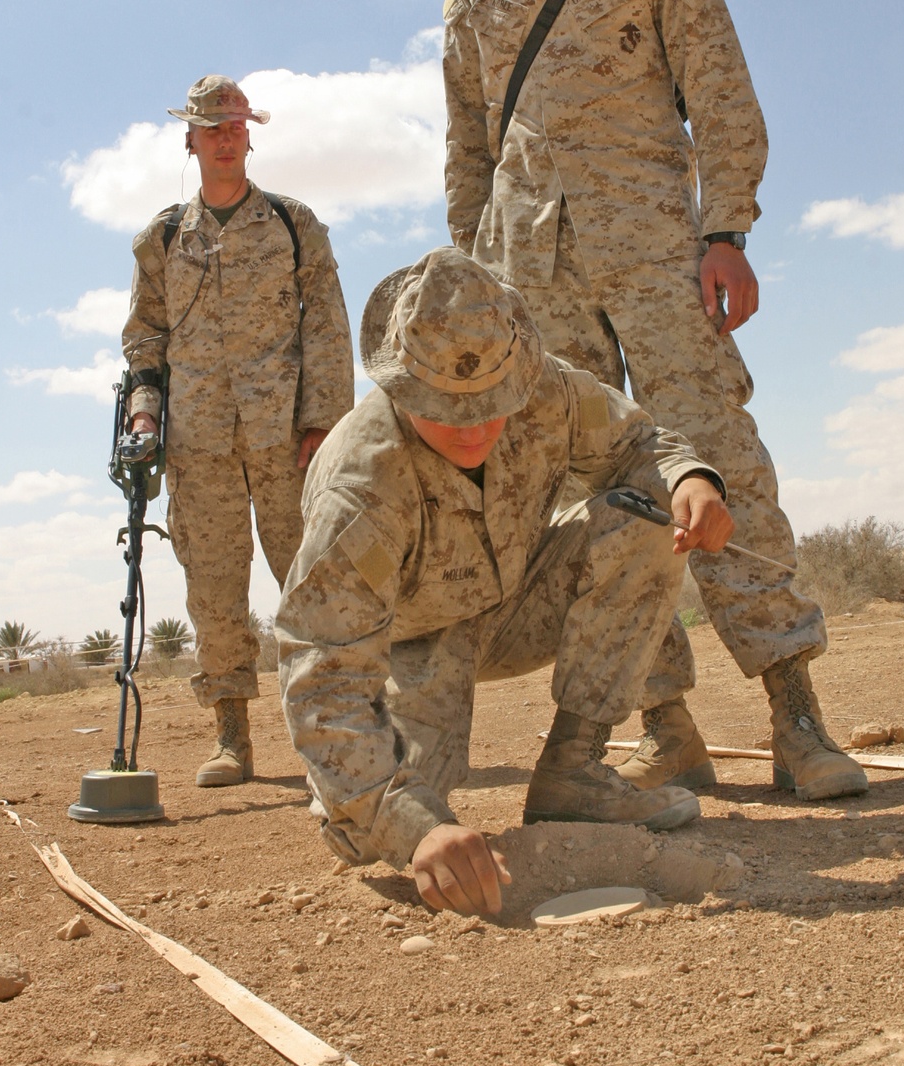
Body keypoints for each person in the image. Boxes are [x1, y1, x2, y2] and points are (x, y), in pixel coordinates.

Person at [442, 0, 867, 803]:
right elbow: (466, 137)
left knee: (716, 456)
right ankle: (663, 724)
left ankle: (794, 717)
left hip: (653, 250)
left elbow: (719, 85)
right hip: (528, 269)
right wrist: (473, 268)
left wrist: (725, 227)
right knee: (597, 492)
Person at [276, 247, 734, 916]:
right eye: (449, 410)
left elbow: (642, 444)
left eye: (492, 405)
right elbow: (323, 678)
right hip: (414, 646)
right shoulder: (359, 487)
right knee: (369, 831)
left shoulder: (542, 387)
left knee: (646, 516)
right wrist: (415, 826)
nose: (475, 428)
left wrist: (692, 479)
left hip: (520, 600)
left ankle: (574, 772)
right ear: (402, 386)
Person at [123, 75, 354, 787]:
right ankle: (233, 740)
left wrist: (325, 425)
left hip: (289, 441)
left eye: (236, 126)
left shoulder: (293, 223)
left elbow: (327, 329)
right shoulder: (161, 239)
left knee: (316, 582)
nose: (226, 137)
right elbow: (145, 346)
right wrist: (142, 418)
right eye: (212, 127)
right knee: (215, 592)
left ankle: (339, 730)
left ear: (250, 135)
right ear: (189, 140)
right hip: (199, 448)